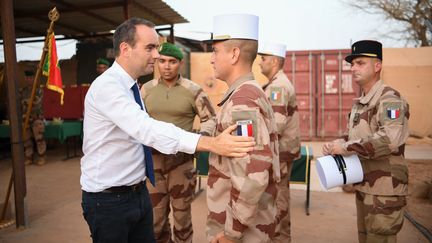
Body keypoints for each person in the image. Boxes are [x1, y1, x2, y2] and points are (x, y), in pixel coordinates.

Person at [80, 17, 255, 243]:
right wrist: (210, 143)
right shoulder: (108, 88)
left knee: (179, 221)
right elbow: (145, 129)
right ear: (125, 49)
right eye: (150, 48)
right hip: (110, 201)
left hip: (139, 191)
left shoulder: (133, 86)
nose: (157, 56)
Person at [322, 40, 409, 243]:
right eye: (352, 64)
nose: (353, 68)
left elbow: (390, 139)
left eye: (360, 63)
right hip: (364, 185)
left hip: (385, 190)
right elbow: (357, 136)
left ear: (377, 66)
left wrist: (344, 147)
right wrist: (338, 143)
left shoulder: (390, 99)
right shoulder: (361, 102)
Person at [205, 14, 280, 243]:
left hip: (239, 230)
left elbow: (253, 173)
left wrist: (232, 232)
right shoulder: (245, 93)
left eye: (216, 51)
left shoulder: (243, 100)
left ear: (234, 54)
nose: (211, 58)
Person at [140, 42, 217, 243]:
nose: (166, 66)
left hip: (181, 163)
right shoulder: (145, 90)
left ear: (180, 64)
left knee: (182, 217)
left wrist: (197, 139)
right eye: (162, 61)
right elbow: (136, 122)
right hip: (153, 163)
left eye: (172, 62)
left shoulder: (192, 90)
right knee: (156, 218)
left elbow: (211, 119)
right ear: (156, 62)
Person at [258, 42, 301, 243]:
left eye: (263, 59)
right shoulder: (276, 83)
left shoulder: (278, 86)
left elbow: (276, 125)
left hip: (280, 154)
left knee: (278, 202)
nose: (260, 63)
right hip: (281, 152)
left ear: (274, 61)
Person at [19, 70, 46, 165]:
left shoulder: (38, 90)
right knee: (26, 139)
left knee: (39, 138)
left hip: (36, 118)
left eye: (31, 78)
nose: (29, 79)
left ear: (34, 78)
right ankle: (29, 157)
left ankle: (41, 157)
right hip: (25, 118)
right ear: (25, 79)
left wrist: (26, 102)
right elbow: (20, 104)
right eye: (27, 78)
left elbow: (36, 103)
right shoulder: (22, 91)